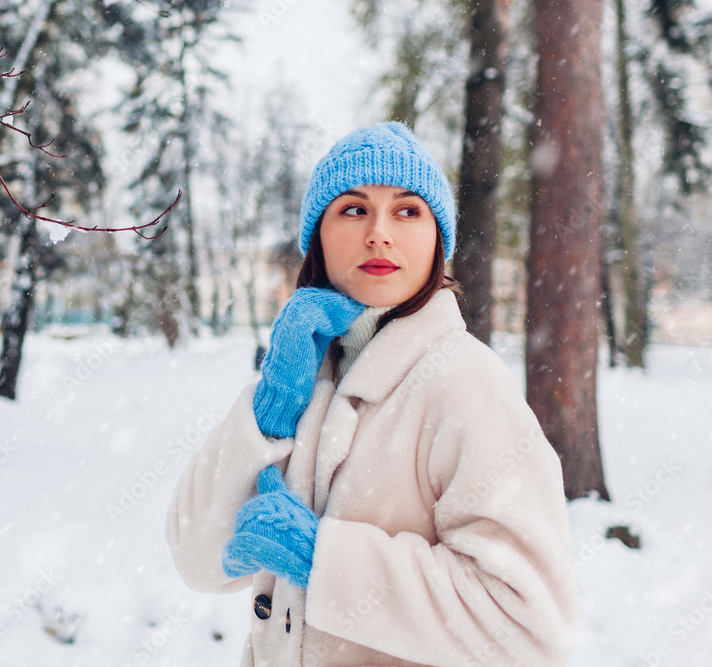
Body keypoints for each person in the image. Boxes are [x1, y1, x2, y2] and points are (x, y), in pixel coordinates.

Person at [166, 122, 579, 666]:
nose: (380, 233)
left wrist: (324, 563)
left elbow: (531, 627)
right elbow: (199, 559)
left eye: (407, 211)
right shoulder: (302, 380)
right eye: (354, 209)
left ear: (438, 241)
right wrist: (270, 412)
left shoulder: (468, 386)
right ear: (318, 236)